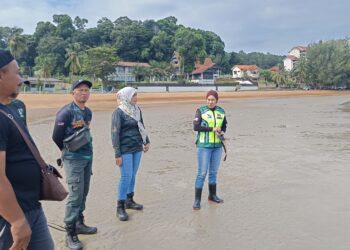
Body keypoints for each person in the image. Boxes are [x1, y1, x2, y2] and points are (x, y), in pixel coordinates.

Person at [0, 50, 54, 249]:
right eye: (17, 73)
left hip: (32, 206)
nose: (21, 79)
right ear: (1, 75)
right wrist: (16, 220)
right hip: (8, 213)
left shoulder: (14, 108)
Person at [52, 79, 97, 250]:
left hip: (87, 157)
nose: (84, 93)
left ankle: (79, 222)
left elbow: (85, 133)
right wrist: (68, 152)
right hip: (73, 159)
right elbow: (56, 136)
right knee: (75, 195)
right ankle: (70, 233)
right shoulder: (65, 112)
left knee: (84, 192)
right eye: (80, 90)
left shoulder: (88, 112)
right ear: (73, 93)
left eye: (86, 90)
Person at [111, 87, 150, 221]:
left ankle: (129, 200)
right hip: (124, 149)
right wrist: (117, 154)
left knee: (133, 175)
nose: (136, 98)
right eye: (134, 95)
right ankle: (120, 206)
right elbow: (114, 134)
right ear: (127, 97)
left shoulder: (137, 109)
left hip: (137, 147)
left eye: (136, 95)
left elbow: (141, 126)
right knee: (125, 176)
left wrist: (146, 141)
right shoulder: (119, 112)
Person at [193, 90, 227, 210]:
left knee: (213, 173)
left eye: (213, 100)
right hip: (204, 147)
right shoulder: (201, 111)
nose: (210, 102)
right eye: (208, 99)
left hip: (217, 147)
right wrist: (212, 129)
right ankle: (197, 200)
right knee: (202, 173)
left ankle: (212, 195)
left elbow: (224, 125)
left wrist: (222, 132)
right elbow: (196, 127)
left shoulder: (221, 111)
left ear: (216, 100)